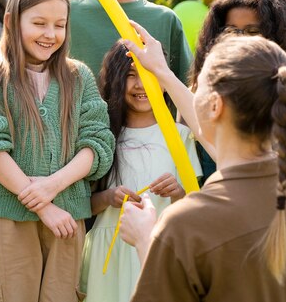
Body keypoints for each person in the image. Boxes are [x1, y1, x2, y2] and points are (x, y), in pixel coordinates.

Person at [119, 22, 286, 301]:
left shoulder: (187, 224)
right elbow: (221, 145)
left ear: (215, 105)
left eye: (199, 86)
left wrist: (146, 238)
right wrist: (162, 72)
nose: (194, 96)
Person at [0, 0, 115, 302]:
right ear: (12, 22)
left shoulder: (78, 77)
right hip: (8, 217)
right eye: (39, 23)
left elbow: (97, 142)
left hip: (68, 218)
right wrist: (43, 206)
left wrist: (52, 187)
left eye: (59, 24)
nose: (50, 34)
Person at [79, 40, 202, 302]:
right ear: (115, 81)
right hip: (108, 250)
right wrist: (108, 197)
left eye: (148, 74)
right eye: (130, 76)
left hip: (159, 246)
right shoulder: (103, 137)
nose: (140, 84)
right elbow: (81, 204)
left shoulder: (181, 136)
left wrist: (177, 192)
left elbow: (195, 205)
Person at [191, 0, 286, 186]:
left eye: (253, 31)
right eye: (231, 31)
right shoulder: (200, 92)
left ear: (278, 37)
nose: (240, 40)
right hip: (212, 212)